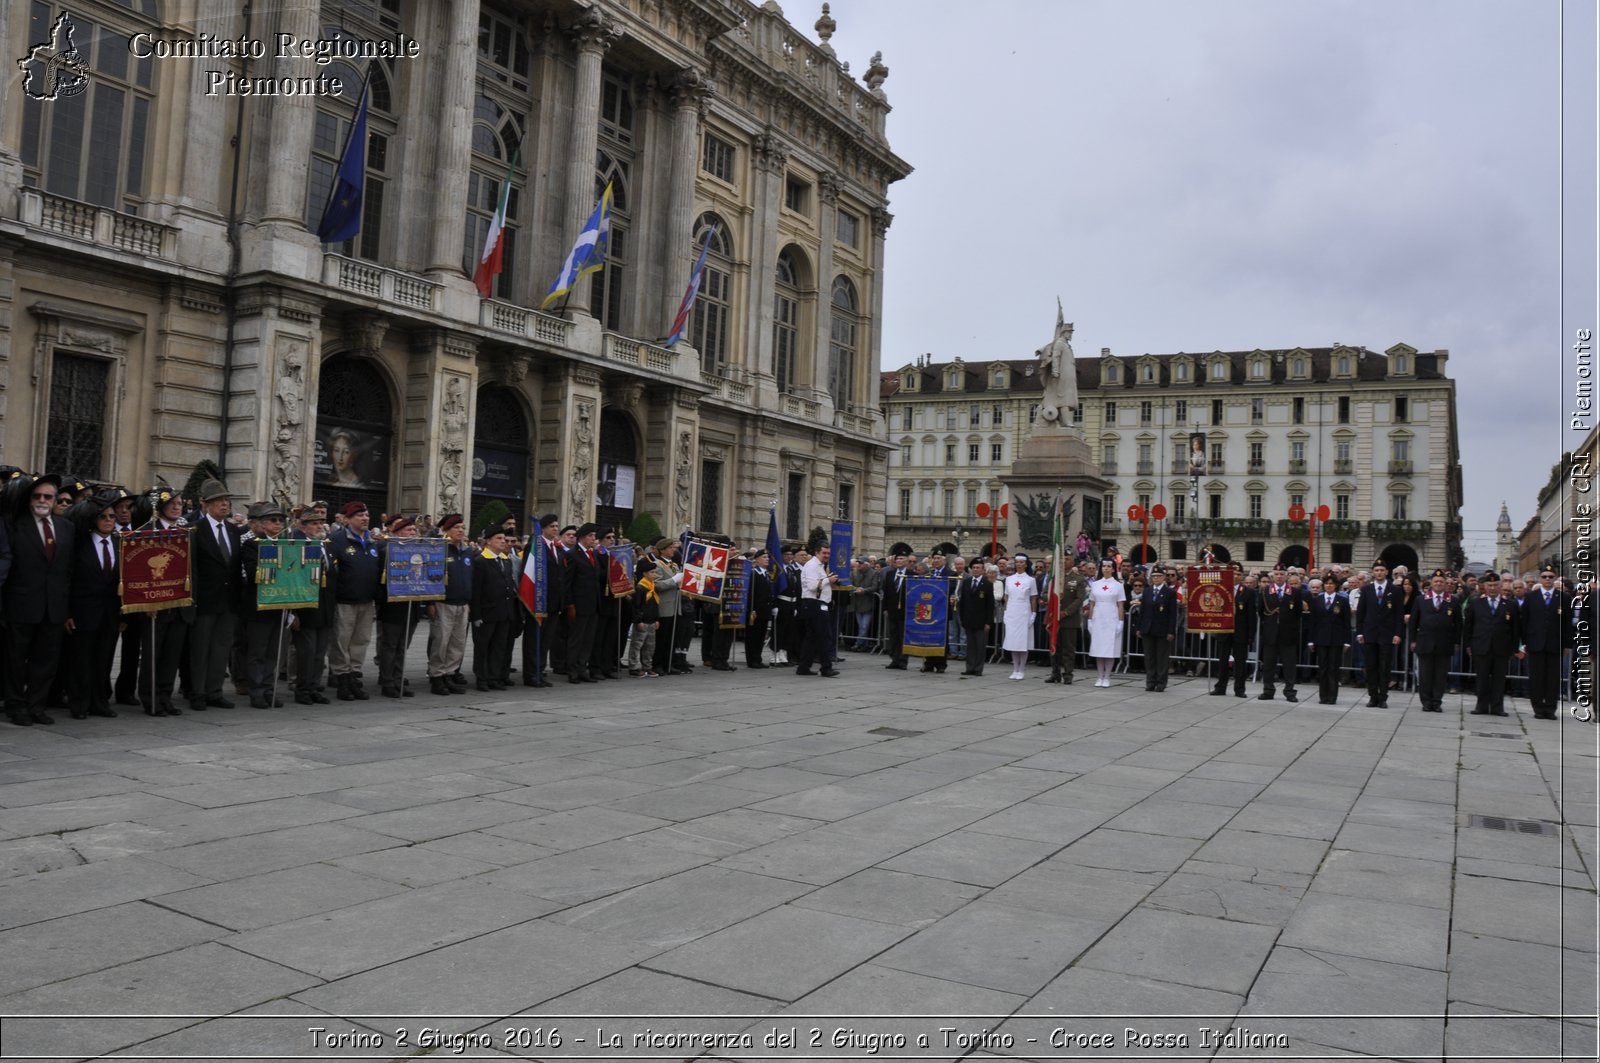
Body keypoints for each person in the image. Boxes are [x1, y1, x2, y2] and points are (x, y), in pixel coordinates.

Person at [63, 495, 121, 721]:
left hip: (110, 614)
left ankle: (100, 702)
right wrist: (67, 613)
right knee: (81, 659)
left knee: (103, 660)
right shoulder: (80, 545)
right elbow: (68, 579)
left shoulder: (120, 544)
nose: (108, 521)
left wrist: (122, 613)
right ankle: (79, 702)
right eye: (103, 517)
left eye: (112, 517)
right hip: (83, 612)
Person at [188, 479, 242, 712]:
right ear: (206, 504)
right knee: (201, 649)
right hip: (205, 600)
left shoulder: (232, 530)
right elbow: (193, 568)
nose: (224, 504)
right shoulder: (196, 530)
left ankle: (215, 691)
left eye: (226, 500)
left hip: (228, 600)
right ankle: (197, 692)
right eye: (219, 500)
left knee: (221, 648)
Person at [326, 501, 380, 701]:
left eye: (366, 515)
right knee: (341, 642)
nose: (365, 518)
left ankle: (354, 677)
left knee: (360, 641)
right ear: (347, 519)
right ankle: (342, 680)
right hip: (344, 601)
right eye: (359, 515)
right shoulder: (337, 540)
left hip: (366, 601)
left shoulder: (371, 541)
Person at [288, 505, 334, 705]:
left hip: (324, 606)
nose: (319, 526)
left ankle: (314, 686)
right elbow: (291, 578)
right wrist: (293, 612)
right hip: (305, 606)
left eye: (320, 523)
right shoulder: (295, 545)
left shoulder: (324, 544)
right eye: (314, 523)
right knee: (306, 651)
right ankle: (303, 689)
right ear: (303, 526)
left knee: (319, 652)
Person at [374, 514, 420, 699]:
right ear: (398, 533)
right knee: (390, 645)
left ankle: (398, 679)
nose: (413, 533)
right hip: (392, 605)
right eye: (409, 530)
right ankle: (387, 681)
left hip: (411, 604)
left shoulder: (419, 551)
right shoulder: (387, 550)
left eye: (414, 531)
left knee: (402, 646)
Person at [1463, 572, 1522, 716]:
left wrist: (1514, 648)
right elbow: (1469, 626)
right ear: (1484, 586)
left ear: (1500, 586)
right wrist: (1468, 645)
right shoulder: (1476, 603)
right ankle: (1481, 706)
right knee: (1482, 678)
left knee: (1499, 679)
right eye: (1489, 585)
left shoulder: (1510, 605)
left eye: (1495, 585)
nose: (1492, 588)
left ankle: (1497, 707)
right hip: (1481, 646)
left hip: (1501, 648)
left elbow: (1515, 629)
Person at [427, 514, 473, 695]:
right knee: (441, 641)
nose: (461, 530)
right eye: (456, 527)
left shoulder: (468, 551)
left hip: (463, 603)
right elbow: (430, 577)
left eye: (463, 527)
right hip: (443, 602)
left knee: (457, 642)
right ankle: (436, 676)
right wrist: (430, 602)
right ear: (446, 530)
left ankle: (449, 673)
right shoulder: (439, 549)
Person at [470, 526, 517, 690]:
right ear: (488, 541)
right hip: (486, 612)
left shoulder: (506, 560)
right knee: (483, 647)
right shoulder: (480, 561)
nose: (503, 541)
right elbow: (476, 591)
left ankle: (494, 677)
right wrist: (476, 615)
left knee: (498, 647)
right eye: (499, 538)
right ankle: (482, 678)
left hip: (503, 612)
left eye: (504, 539)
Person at [1354, 561, 1404, 708]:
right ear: (1373, 572)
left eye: (1382, 570)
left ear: (1387, 572)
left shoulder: (1394, 590)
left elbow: (1398, 614)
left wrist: (1398, 633)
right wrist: (1359, 632)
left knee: (1384, 667)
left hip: (1387, 634)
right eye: (1376, 570)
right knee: (1371, 666)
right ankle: (1372, 695)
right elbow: (1361, 614)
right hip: (1370, 633)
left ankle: (1383, 697)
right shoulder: (1367, 590)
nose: (1379, 573)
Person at [1520, 567, 1567, 719]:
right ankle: (1538, 708)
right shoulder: (1531, 596)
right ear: (1540, 579)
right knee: (1537, 677)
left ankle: (1550, 708)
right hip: (1536, 642)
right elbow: (1525, 620)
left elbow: (1567, 624)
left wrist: (1566, 645)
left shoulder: (1564, 598)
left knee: (1553, 678)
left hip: (1555, 643)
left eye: (1550, 576)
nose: (1547, 579)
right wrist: (1524, 642)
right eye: (1544, 576)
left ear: (1555, 579)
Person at [1409, 572, 1460, 713]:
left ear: (1445, 584)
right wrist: (1413, 640)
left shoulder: (1453, 601)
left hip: (1444, 644)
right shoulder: (1421, 600)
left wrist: (1456, 642)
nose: (1438, 584)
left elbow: (1458, 624)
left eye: (1441, 582)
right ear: (1431, 583)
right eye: (1436, 581)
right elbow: (1413, 622)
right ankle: (1426, 701)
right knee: (1425, 675)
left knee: (1440, 675)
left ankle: (1437, 701)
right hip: (1425, 642)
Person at [1256, 566, 1307, 702]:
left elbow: (1297, 613)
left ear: (1286, 576)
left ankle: (1290, 691)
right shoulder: (1265, 591)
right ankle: (1268, 690)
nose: (1279, 576)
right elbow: (1261, 611)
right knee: (1268, 665)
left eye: (1281, 574)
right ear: (1273, 576)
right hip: (1271, 633)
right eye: (1276, 574)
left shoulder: (1294, 592)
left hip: (1288, 634)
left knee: (1289, 665)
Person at [563, 523, 605, 683]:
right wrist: (570, 604)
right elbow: (568, 583)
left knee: (588, 639)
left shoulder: (592, 554)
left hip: (593, 604)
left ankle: (582, 668)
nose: (594, 539)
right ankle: (572, 670)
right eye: (591, 536)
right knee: (576, 639)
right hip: (579, 604)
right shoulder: (573, 555)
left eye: (594, 536)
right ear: (582, 537)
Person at [793, 543, 840, 677]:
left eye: (828, 553)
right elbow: (813, 586)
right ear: (817, 552)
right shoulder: (813, 565)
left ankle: (803, 667)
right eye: (824, 553)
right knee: (824, 636)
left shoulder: (818, 566)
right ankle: (826, 668)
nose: (827, 556)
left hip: (815, 604)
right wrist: (828, 580)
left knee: (811, 638)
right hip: (815, 604)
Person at [1212, 572, 1258, 698]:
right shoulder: (1221, 589)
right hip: (1224, 631)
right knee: (1222, 661)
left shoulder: (1248, 592)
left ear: (1242, 576)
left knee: (1240, 662)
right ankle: (1220, 687)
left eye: (1238, 573)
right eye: (1232, 573)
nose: (1234, 576)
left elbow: (1251, 615)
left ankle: (1239, 689)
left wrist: (1251, 635)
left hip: (1241, 632)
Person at [1307, 577, 1352, 705]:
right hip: (1321, 639)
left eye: (1331, 583)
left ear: (1336, 585)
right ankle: (1323, 696)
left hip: (1336, 639)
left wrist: (1347, 641)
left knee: (1333, 669)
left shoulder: (1342, 600)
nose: (1328, 586)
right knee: (1323, 669)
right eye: (1326, 583)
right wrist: (1311, 640)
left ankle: (1332, 696)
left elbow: (1346, 623)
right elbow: (1313, 622)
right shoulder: (1317, 601)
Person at [1136, 566, 1178, 691]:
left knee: (1162, 658)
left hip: (1162, 629)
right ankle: (1150, 682)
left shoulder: (1169, 592)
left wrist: (1171, 631)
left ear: (1163, 578)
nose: (1156, 578)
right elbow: (1142, 611)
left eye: (1159, 576)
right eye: (1154, 576)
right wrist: (1139, 627)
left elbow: (1172, 614)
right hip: (1147, 628)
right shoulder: (1147, 591)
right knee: (1149, 657)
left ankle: (1161, 682)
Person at [1085, 558, 1125, 687]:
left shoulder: (1118, 585)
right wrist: (1090, 620)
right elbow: (1091, 603)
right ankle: (1099, 676)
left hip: (1111, 617)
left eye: (1109, 566)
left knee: (1109, 649)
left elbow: (1120, 605)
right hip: (1098, 617)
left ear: (1113, 569)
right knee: (1098, 648)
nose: (1106, 568)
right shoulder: (1095, 584)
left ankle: (1107, 676)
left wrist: (1121, 622)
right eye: (1104, 566)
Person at [1048, 559, 1088, 684]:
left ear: (1072, 562)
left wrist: (1065, 612)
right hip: (1053, 618)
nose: (1064, 561)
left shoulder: (1079, 579)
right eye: (1062, 558)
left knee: (1068, 648)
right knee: (1054, 646)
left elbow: (1079, 599)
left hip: (1069, 619)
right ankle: (1055, 673)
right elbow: (1045, 593)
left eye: (1067, 559)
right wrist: (1048, 599)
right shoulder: (1053, 577)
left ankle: (1068, 674)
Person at [1001, 555, 1039, 681]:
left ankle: (1021, 668)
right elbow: (1006, 597)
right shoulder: (1009, 579)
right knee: (1013, 640)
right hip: (1012, 610)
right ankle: (1015, 668)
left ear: (1026, 564)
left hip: (1024, 611)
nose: (1019, 564)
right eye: (1017, 562)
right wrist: (1006, 611)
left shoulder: (1030, 580)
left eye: (1022, 562)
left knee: (1022, 641)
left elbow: (1033, 598)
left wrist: (1033, 613)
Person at [957, 557, 995, 677]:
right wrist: (962, 618)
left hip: (981, 620)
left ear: (983, 570)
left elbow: (990, 605)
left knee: (980, 646)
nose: (976, 570)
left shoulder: (987, 584)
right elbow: (963, 602)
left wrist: (988, 622)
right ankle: (970, 667)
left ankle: (978, 668)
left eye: (978, 568)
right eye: (974, 567)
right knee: (970, 646)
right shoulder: (966, 582)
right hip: (968, 619)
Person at [626, 559, 662, 677]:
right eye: (652, 572)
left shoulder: (653, 586)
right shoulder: (641, 588)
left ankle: (647, 666)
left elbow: (655, 605)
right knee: (637, 644)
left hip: (652, 620)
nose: (654, 575)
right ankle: (634, 666)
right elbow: (636, 606)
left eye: (654, 572)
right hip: (643, 621)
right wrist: (638, 621)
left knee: (650, 646)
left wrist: (657, 619)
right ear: (644, 573)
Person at [745, 549, 773, 668]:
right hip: (755, 610)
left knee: (761, 635)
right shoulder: (753, 574)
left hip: (764, 610)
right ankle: (752, 660)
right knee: (753, 635)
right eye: (764, 557)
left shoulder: (766, 574)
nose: (767, 559)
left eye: (767, 557)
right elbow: (750, 593)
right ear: (757, 559)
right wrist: (752, 609)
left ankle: (758, 657)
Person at [881, 553, 909, 670]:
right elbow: (886, 592)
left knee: (902, 636)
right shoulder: (890, 574)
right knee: (893, 635)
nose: (898, 560)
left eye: (901, 558)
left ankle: (903, 660)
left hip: (905, 611)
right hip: (892, 610)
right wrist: (885, 608)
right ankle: (894, 659)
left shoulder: (911, 575)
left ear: (906, 561)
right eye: (897, 558)